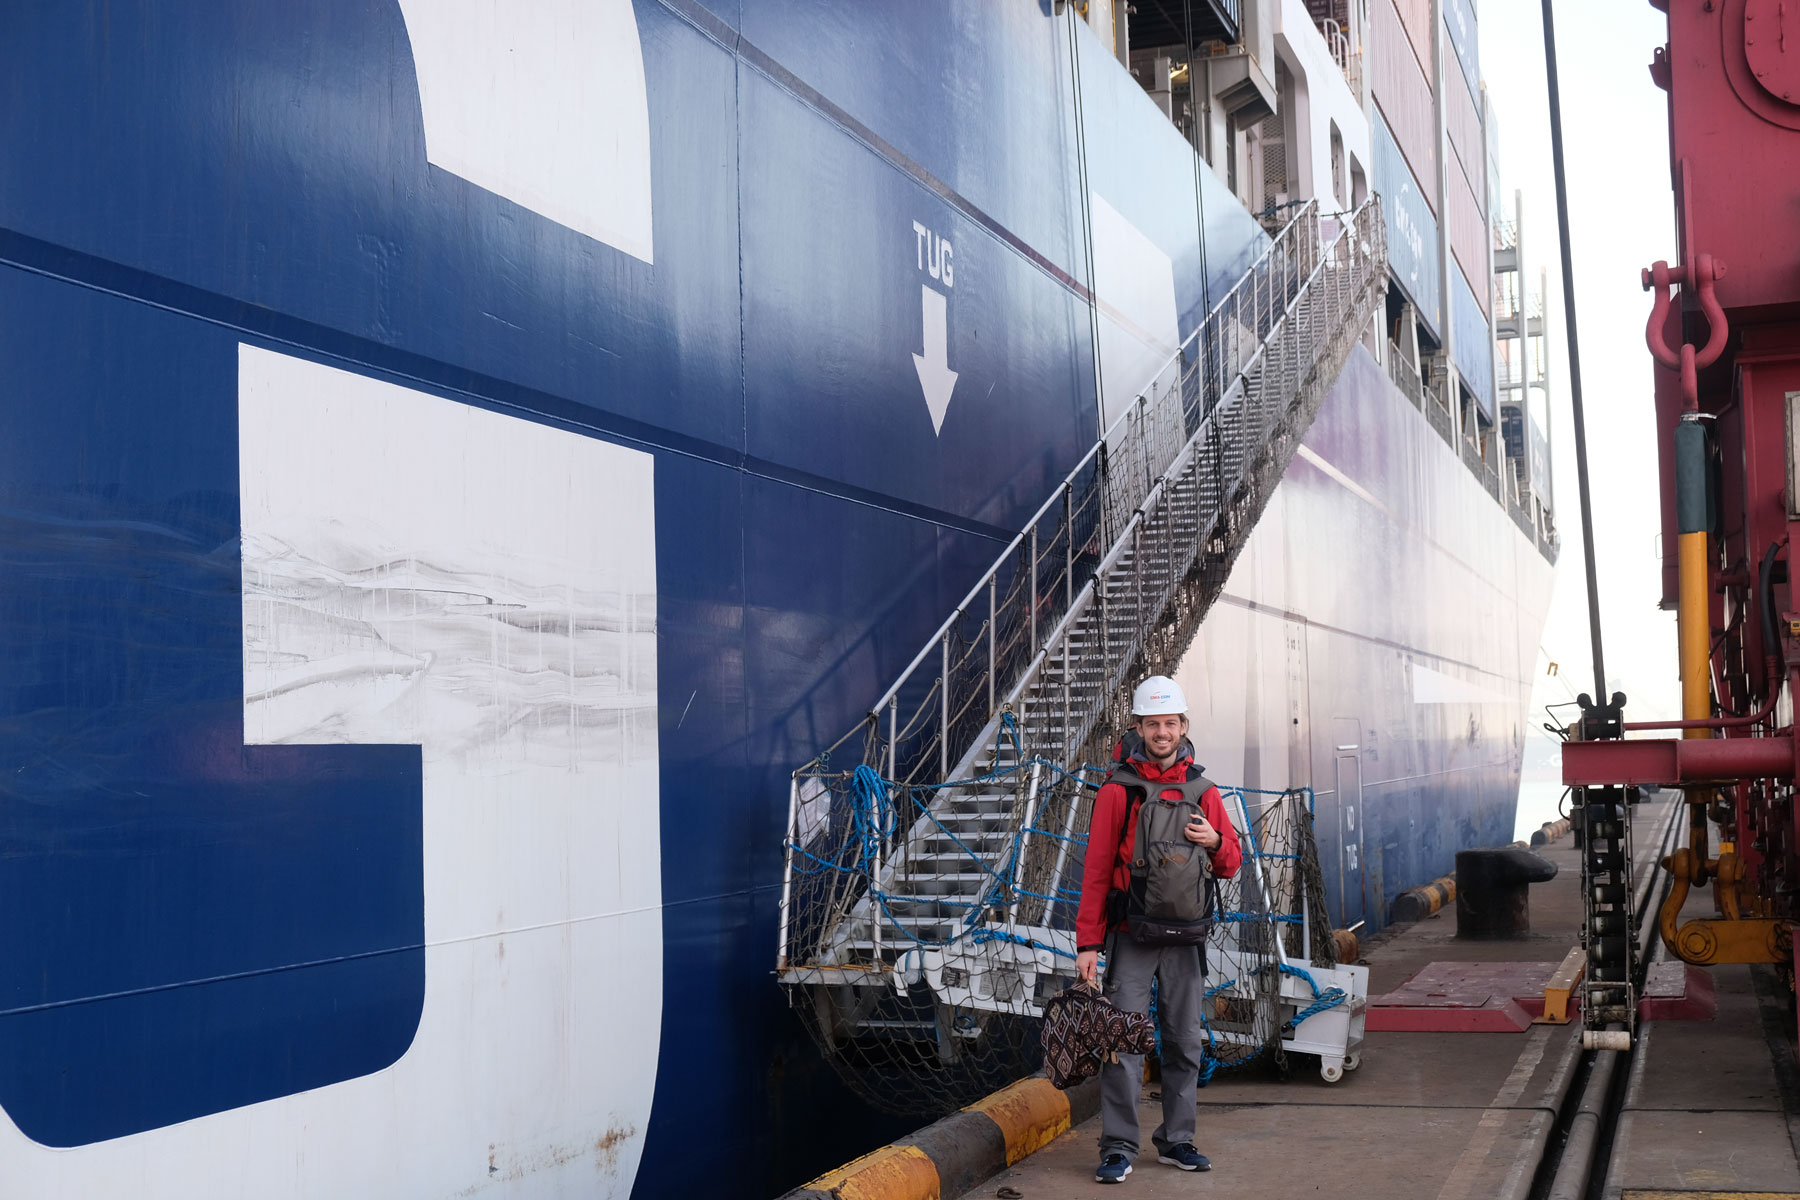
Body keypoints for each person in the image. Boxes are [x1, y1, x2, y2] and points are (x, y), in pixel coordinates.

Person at [1074, 675, 1242, 1185]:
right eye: (1153, 724)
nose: (1162, 732)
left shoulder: (1205, 792)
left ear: (1183, 726)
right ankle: (1118, 1146)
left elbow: (1232, 863)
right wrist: (1088, 943)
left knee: (1185, 1040)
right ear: (1139, 728)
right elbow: (1098, 871)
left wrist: (1214, 840)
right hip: (1131, 934)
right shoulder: (1117, 791)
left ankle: (1178, 1139)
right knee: (1122, 1042)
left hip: (1186, 937)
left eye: (1170, 723)